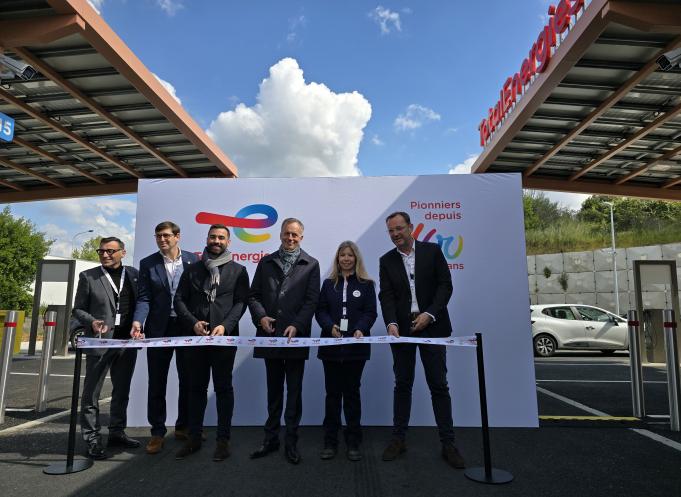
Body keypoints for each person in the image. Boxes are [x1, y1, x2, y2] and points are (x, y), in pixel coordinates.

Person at [378, 211, 465, 469]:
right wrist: (391, 322)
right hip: (402, 330)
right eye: (391, 231)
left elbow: (445, 286)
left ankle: (448, 443)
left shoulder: (432, 251)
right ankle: (398, 439)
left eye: (399, 229)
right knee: (402, 384)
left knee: (438, 385)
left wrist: (429, 314)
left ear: (411, 228)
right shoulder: (386, 260)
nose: (395, 234)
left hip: (433, 327)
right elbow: (387, 296)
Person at [172, 224, 249, 461]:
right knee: (196, 389)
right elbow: (179, 300)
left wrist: (225, 325)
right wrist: (193, 322)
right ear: (207, 239)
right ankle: (194, 437)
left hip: (224, 339)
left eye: (221, 237)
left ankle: (223, 441)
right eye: (213, 237)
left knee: (224, 389)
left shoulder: (238, 270)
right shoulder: (193, 269)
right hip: (196, 339)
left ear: (228, 242)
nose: (216, 240)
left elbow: (240, 303)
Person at [248, 218, 320, 465]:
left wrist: (297, 325)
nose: (290, 238)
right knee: (274, 391)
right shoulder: (266, 262)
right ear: (280, 234)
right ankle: (271, 440)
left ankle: (291, 442)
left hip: (295, 340)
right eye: (287, 234)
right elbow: (253, 295)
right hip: (270, 338)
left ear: (302, 237)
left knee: (294, 392)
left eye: (295, 235)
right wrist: (261, 317)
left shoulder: (311, 264)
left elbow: (312, 301)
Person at [130, 221, 199, 455]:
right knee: (157, 382)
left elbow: (197, 297)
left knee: (188, 380)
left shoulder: (194, 261)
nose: (162, 240)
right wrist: (138, 321)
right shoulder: (148, 263)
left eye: (166, 236)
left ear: (177, 236)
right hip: (158, 329)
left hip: (186, 328)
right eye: (158, 236)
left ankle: (183, 427)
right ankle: (157, 433)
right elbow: (144, 298)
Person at [72, 236, 140, 460]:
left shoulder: (133, 274)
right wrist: (91, 321)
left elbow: (141, 305)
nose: (105, 255)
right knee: (91, 393)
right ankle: (91, 439)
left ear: (122, 252)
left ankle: (117, 432)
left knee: (121, 391)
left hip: (126, 342)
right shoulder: (88, 276)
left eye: (110, 251)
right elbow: (78, 309)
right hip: (100, 342)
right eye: (101, 251)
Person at [315, 241, 376, 462]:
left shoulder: (367, 284)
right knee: (332, 395)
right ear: (338, 258)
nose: (346, 259)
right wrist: (329, 326)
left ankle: (353, 442)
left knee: (351, 394)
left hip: (355, 349)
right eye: (343, 255)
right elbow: (320, 310)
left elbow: (370, 312)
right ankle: (330, 441)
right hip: (331, 348)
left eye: (350, 255)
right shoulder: (328, 284)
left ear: (356, 258)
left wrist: (361, 328)